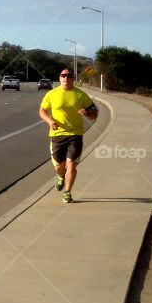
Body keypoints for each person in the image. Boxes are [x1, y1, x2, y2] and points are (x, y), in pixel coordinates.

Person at [38, 69, 98, 203]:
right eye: (63, 75)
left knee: (71, 164)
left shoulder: (81, 95)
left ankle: (67, 192)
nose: (66, 78)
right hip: (57, 135)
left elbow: (94, 114)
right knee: (59, 167)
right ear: (59, 78)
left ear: (73, 78)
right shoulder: (52, 94)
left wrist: (87, 113)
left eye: (69, 76)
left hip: (75, 134)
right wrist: (49, 121)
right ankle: (61, 177)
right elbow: (42, 110)